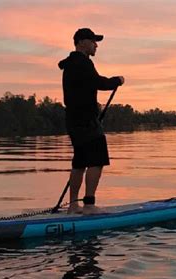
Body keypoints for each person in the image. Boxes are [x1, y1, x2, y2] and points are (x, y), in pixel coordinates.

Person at [58, 28, 125, 215]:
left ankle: (73, 206)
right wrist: (117, 80)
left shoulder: (71, 63)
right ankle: (88, 205)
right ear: (81, 42)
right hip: (87, 122)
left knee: (79, 162)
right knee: (97, 160)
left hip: (73, 121)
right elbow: (99, 83)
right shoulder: (82, 62)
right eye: (93, 41)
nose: (96, 45)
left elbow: (83, 87)